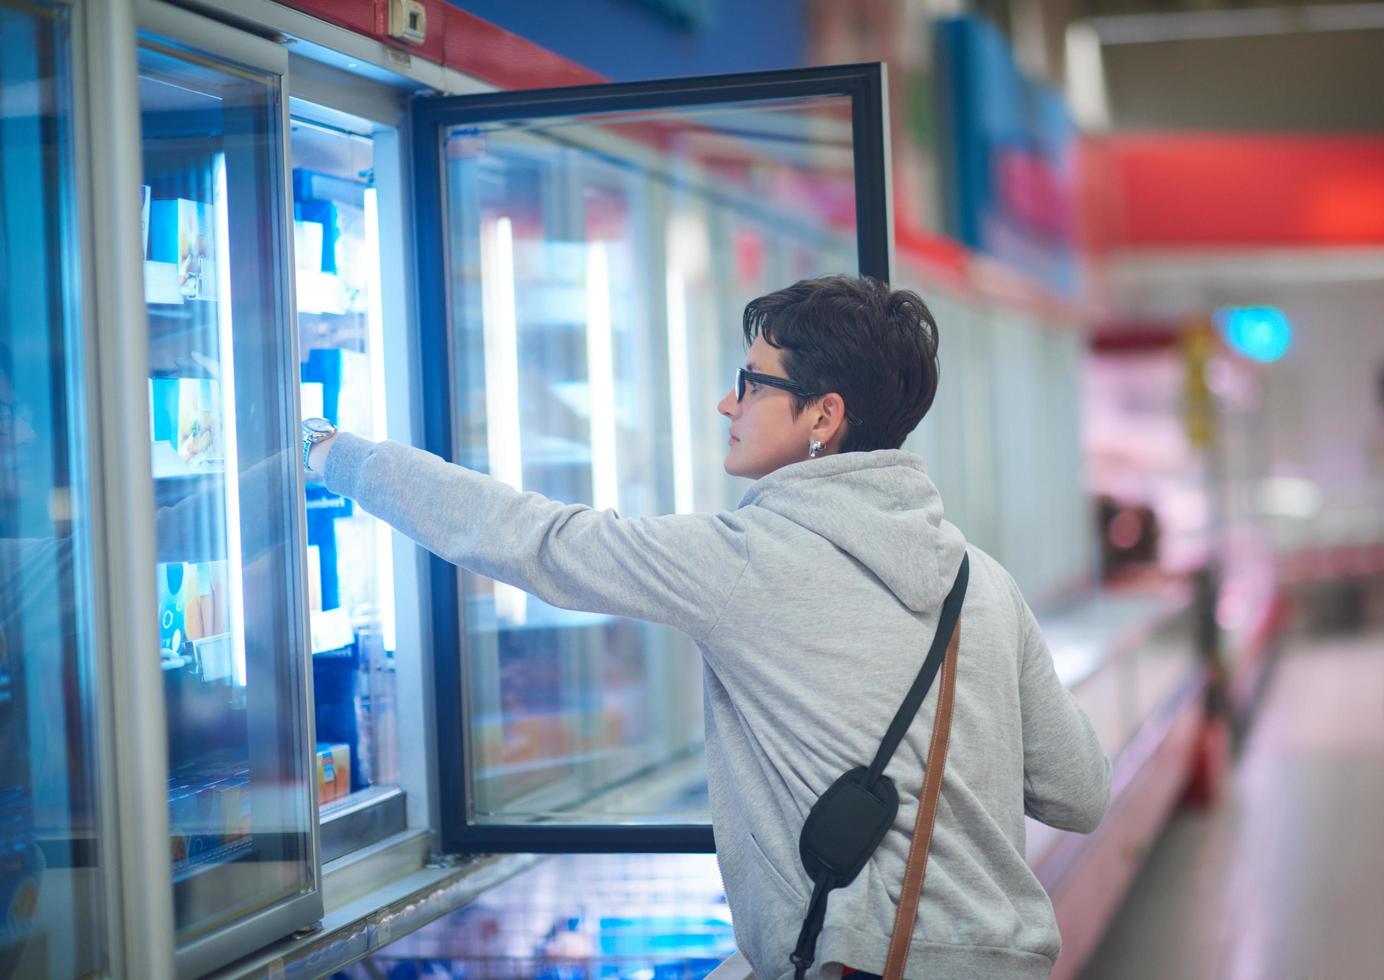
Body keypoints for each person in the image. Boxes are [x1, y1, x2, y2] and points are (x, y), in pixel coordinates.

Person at [305, 274, 1111, 979]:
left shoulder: (746, 562)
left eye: (751, 381)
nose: (729, 401)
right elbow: (1079, 792)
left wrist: (337, 454)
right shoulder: (984, 583)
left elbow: (536, 540)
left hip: (861, 961)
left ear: (824, 414)